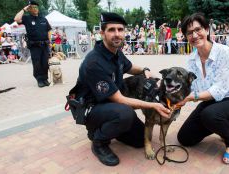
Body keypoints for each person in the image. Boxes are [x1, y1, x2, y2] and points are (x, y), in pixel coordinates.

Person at [71, 12, 170, 166]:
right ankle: (98, 140)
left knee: (139, 140)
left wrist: (146, 70)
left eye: (120, 29)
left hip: (108, 104)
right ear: (102, 32)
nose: (117, 34)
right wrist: (153, 105)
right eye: (111, 30)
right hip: (90, 109)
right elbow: (119, 100)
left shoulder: (116, 52)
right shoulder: (94, 62)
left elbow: (130, 67)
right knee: (125, 113)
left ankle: (112, 127)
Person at [176, 13, 229, 164]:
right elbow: (190, 86)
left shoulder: (224, 52)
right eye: (189, 33)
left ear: (206, 29)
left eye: (198, 29)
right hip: (212, 103)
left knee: (209, 114)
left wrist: (190, 97)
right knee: (185, 138)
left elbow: (220, 90)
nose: (195, 35)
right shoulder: (191, 60)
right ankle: (219, 125)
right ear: (185, 36)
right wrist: (173, 95)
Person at [14, 0, 52, 87]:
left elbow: (49, 30)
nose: (35, 9)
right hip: (34, 45)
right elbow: (16, 19)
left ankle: (45, 79)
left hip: (45, 44)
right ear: (29, 9)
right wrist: (24, 9)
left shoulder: (43, 19)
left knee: (45, 62)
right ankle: (39, 80)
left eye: (36, 7)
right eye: (32, 7)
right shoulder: (27, 18)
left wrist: (49, 41)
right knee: (37, 63)